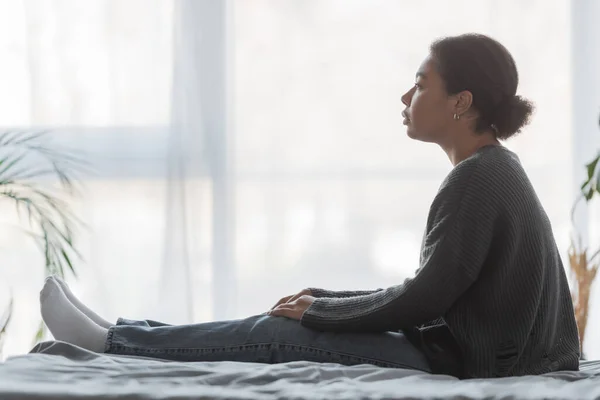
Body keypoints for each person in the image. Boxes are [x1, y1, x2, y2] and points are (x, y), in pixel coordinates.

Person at [39, 33, 580, 379]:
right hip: (460, 348)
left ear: (461, 102)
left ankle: (113, 342)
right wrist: (329, 298)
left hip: (466, 362)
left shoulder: (479, 179)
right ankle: (120, 333)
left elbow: (424, 298)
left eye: (419, 85)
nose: (404, 98)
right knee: (282, 322)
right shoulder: (491, 170)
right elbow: (434, 290)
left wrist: (323, 310)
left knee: (279, 334)